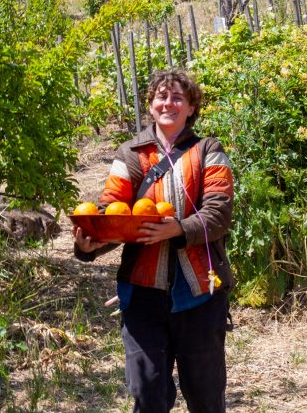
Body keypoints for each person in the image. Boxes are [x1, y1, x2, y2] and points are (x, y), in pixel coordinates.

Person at [72, 69, 234, 413]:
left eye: (178, 97)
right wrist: (91, 244)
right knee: (147, 395)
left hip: (200, 294)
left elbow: (218, 214)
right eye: (161, 96)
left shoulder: (209, 150)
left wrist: (176, 229)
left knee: (206, 395)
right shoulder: (130, 154)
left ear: (191, 107)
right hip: (142, 292)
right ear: (150, 105)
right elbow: (112, 209)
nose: (168, 103)